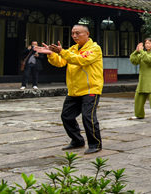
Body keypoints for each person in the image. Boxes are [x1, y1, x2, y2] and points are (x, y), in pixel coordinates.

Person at [37, 24, 103, 154]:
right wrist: (51, 54)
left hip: (90, 89)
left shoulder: (95, 48)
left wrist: (61, 51)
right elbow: (60, 62)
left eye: (78, 33)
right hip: (74, 90)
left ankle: (95, 144)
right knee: (66, 116)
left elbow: (80, 60)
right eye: (73, 33)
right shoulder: (72, 49)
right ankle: (77, 140)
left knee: (88, 117)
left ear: (87, 34)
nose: (74, 36)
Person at [129, 37, 151, 122]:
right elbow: (133, 60)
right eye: (146, 43)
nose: (147, 45)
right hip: (143, 79)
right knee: (138, 97)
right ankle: (139, 114)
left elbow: (149, 60)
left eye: (149, 43)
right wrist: (136, 51)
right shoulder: (142, 53)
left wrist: (141, 52)